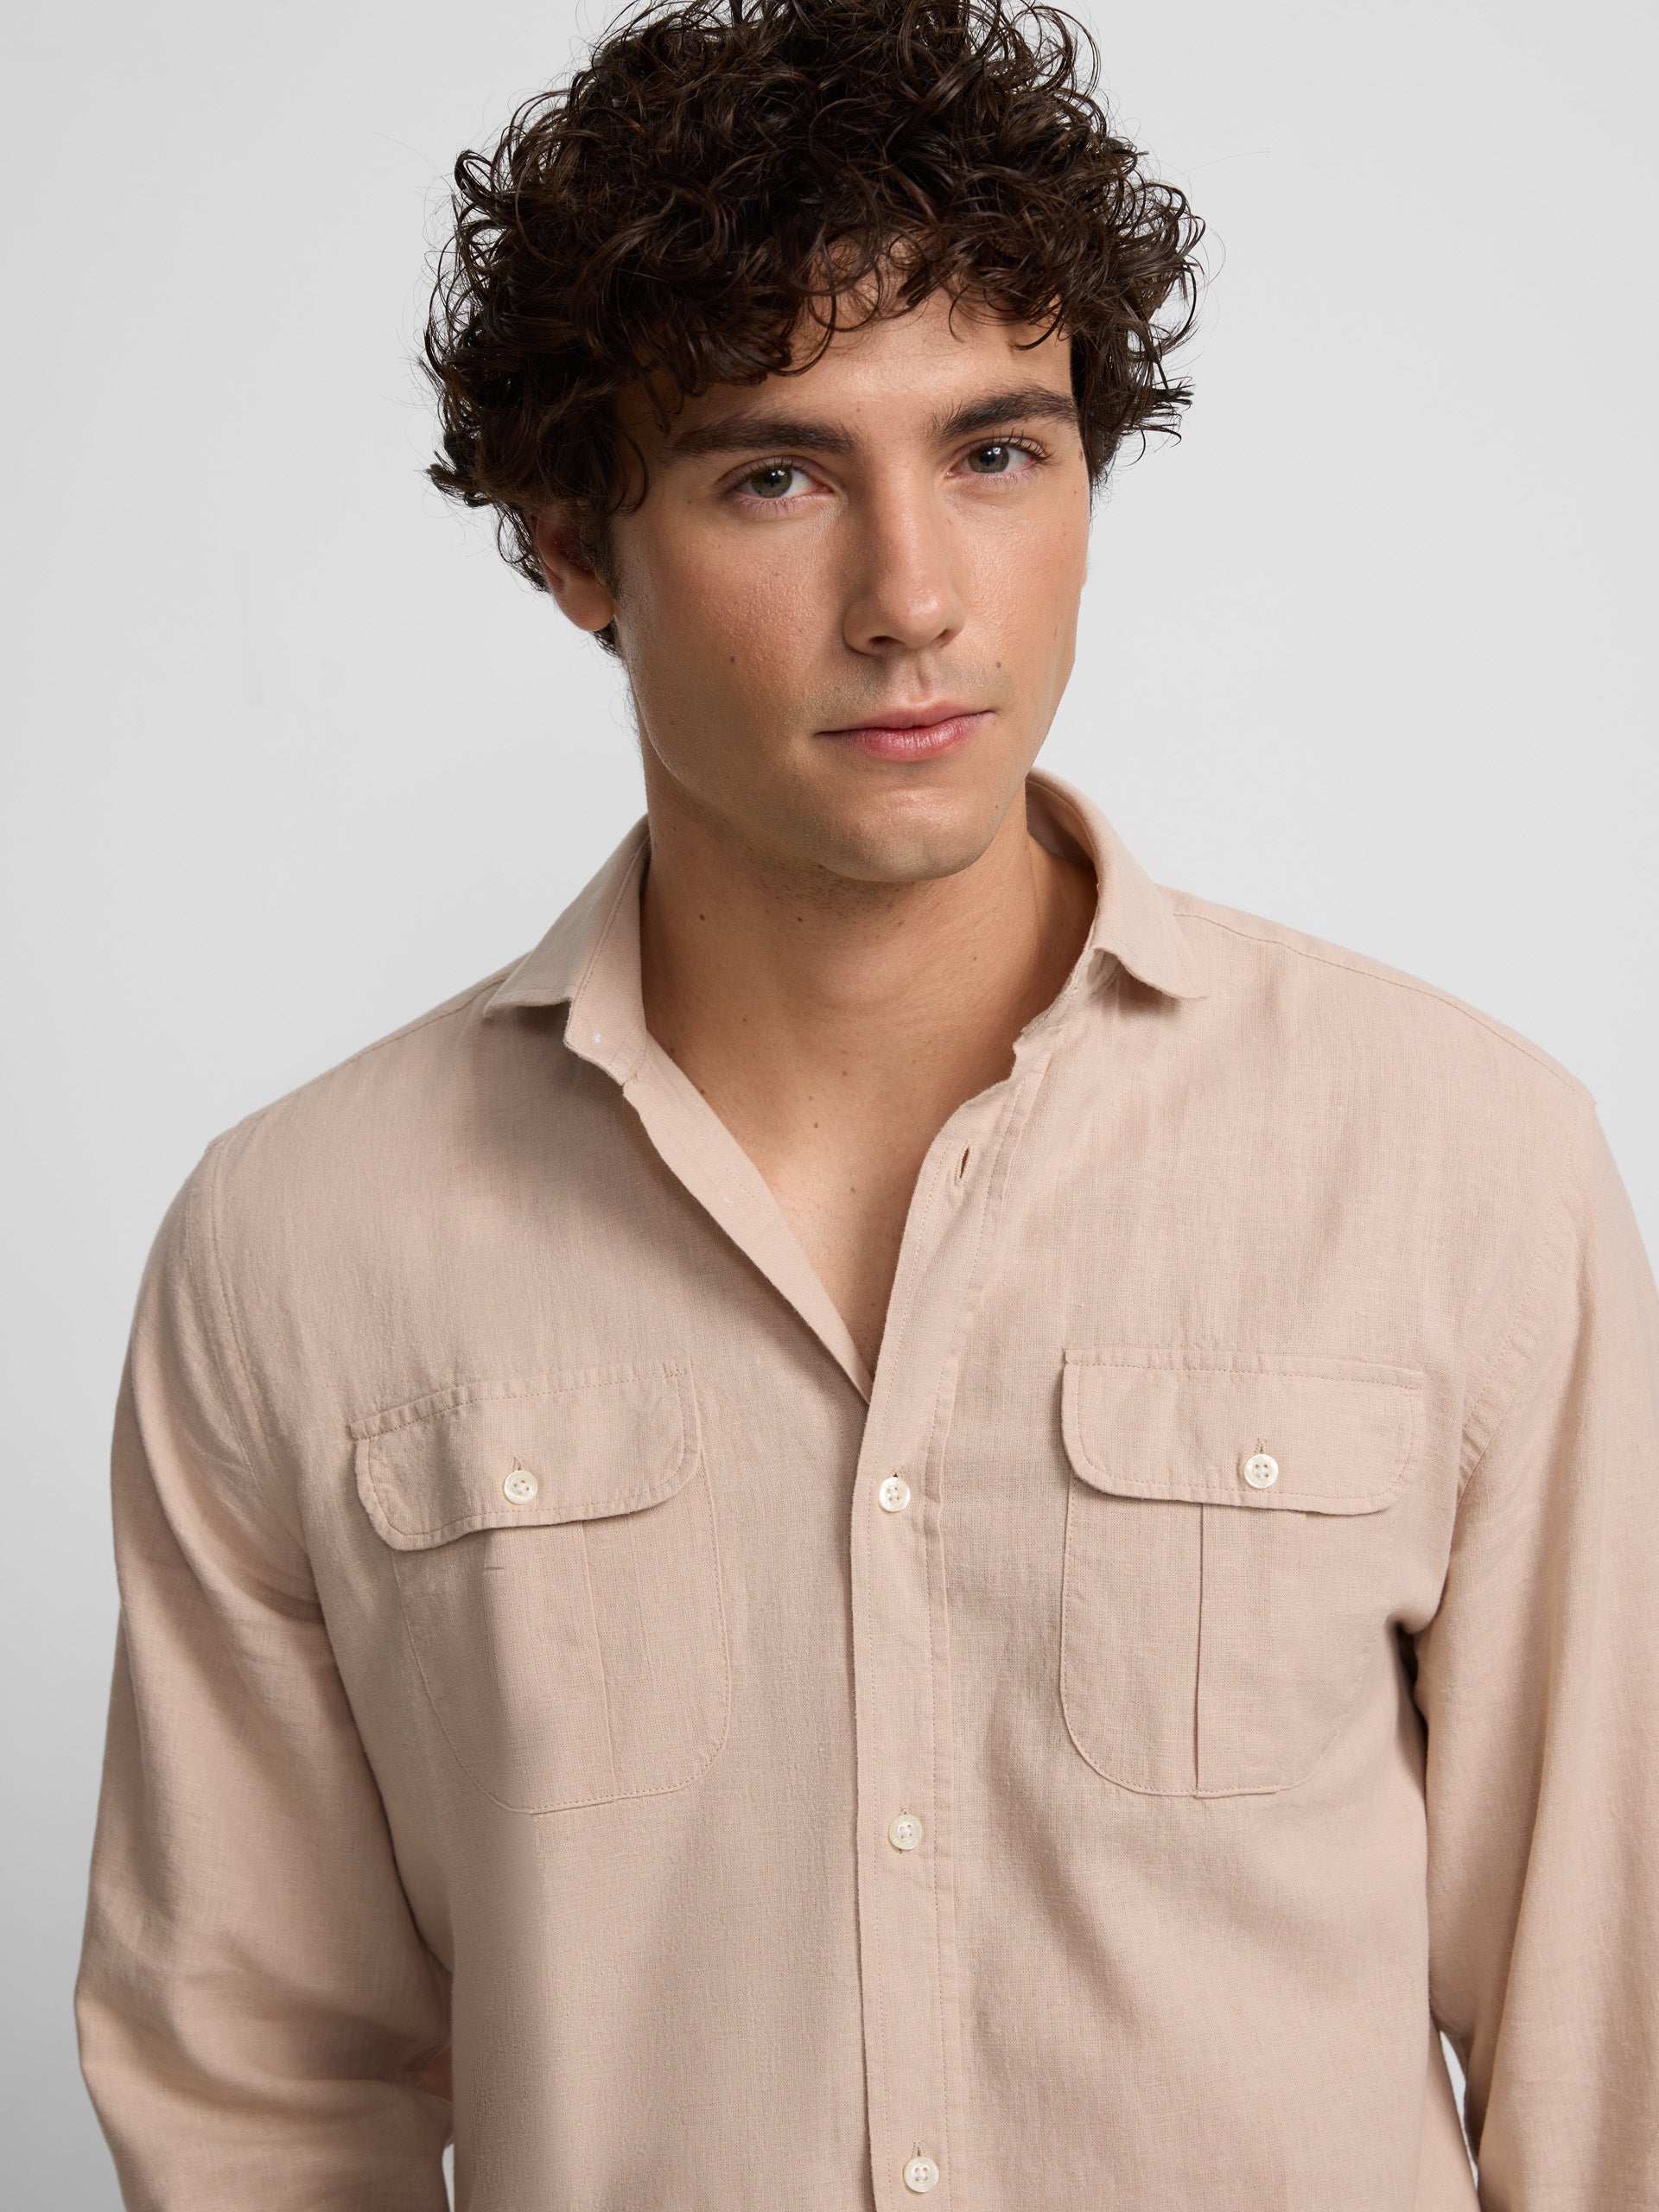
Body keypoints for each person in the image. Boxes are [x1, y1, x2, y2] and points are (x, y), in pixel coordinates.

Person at [73, 0, 1659, 2204]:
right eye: (777, 474)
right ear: (573, 542)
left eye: (998, 452)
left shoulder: (1461, 1168)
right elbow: (258, 2087)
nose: (914, 598)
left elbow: (1611, 2048)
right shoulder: (294, 1249)